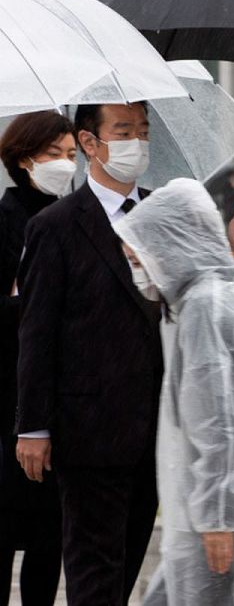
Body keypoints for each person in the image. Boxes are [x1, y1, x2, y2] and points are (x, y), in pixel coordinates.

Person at [13, 102, 234, 606]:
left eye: (142, 132)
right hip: (88, 431)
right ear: (88, 143)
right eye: (123, 131)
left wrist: (233, 258)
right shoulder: (56, 227)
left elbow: (204, 298)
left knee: (126, 567)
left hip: (159, 428)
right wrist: (33, 426)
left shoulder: (163, 212)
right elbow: (36, 333)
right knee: (93, 572)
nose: (137, 143)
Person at [111, 179, 234, 605]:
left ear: (170, 248)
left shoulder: (206, 309)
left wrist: (219, 516)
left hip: (228, 507)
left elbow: (220, 423)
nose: (137, 270)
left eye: (138, 258)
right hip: (229, 501)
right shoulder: (204, 302)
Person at [0, 111, 74, 606]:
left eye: (72, 155)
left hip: (59, 406)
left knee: (50, 545)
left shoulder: (71, 221)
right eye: (53, 155)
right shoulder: (6, 222)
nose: (65, 166)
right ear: (24, 160)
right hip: (8, 405)